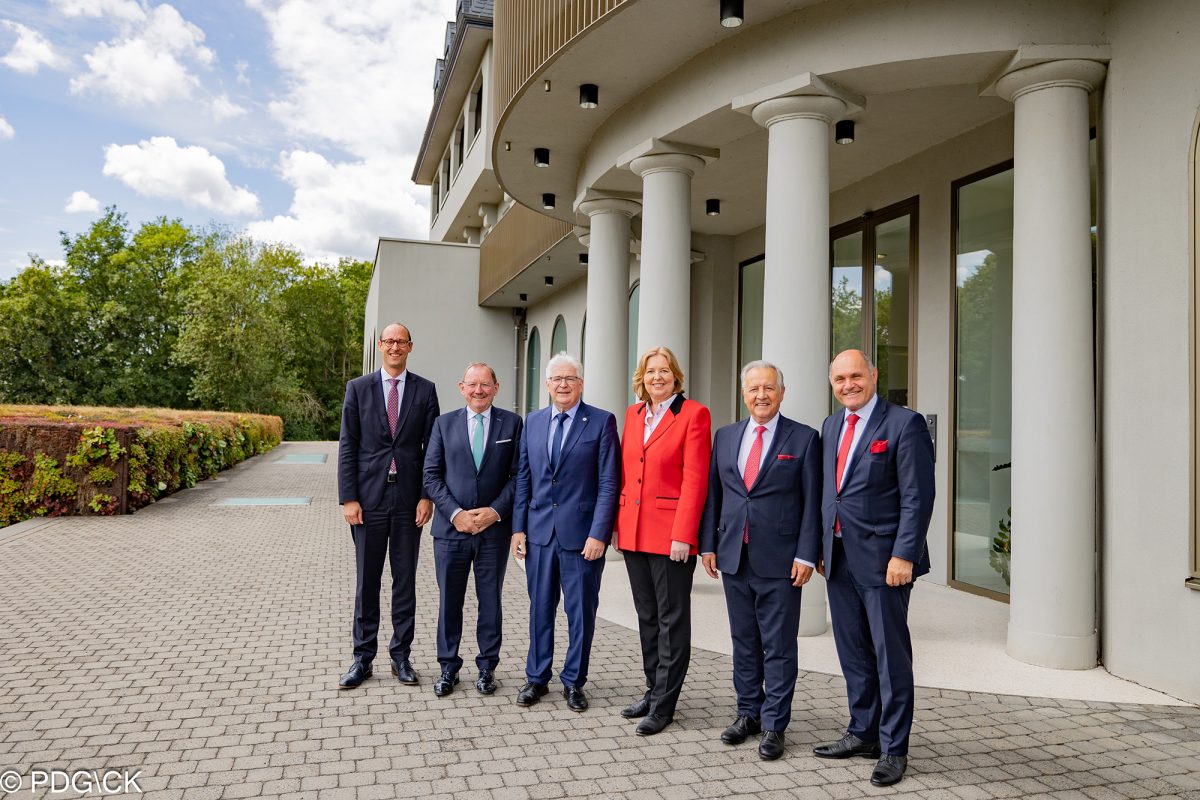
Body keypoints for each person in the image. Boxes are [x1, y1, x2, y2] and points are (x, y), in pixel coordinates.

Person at [812, 349, 935, 788]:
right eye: (840, 378)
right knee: (853, 653)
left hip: (886, 563)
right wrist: (820, 547)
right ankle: (862, 732)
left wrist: (904, 554)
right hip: (839, 558)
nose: (849, 385)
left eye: (856, 376)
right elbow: (831, 492)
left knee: (889, 656)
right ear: (832, 383)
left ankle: (893, 747)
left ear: (874, 375)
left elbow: (917, 496)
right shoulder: (830, 426)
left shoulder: (905, 424)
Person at [698, 360, 821, 761]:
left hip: (782, 561)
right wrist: (709, 544)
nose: (761, 395)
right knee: (743, 641)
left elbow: (811, 504)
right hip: (734, 556)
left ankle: (774, 724)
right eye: (754, 389)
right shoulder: (727, 435)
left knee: (779, 646)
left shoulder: (804, 439)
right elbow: (716, 495)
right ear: (743, 394)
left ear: (782, 393)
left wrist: (807, 552)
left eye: (769, 388)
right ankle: (748, 712)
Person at [511, 352, 620, 711]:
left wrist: (599, 534)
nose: (562, 385)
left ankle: (574, 681)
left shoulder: (601, 422)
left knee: (581, 612)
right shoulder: (534, 422)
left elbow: (608, 483)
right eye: (556, 379)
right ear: (546, 384)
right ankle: (537, 678)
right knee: (540, 608)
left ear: (581, 384)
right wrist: (519, 529)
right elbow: (524, 479)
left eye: (570, 379)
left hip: (582, 537)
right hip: (540, 533)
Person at [336, 323, 439, 689]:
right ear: (381, 346)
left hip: (409, 500)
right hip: (368, 500)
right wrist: (348, 497)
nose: (395, 347)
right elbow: (348, 445)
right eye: (389, 341)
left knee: (405, 580)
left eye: (401, 341)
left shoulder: (425, 390)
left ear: (410, 346)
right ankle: (362, 658)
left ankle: (401, 657)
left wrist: (427, 495)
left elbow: (432, 450)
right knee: (367, 580)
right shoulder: (358, 389)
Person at [615, 346, 711, 736]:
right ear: (643, 376)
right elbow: (626, 473)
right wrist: (620, 526)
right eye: (651, 371)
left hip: (671, 536)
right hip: (635, 532)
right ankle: (653, 688)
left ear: (676, 376)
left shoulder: (694, 415)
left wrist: (684, 535)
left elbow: (695, 479)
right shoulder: (634, 414)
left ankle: (665, 704)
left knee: (672, 620)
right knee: (647, 617)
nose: (657, 377)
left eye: (665, 371)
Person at [422, 363, 522, 697]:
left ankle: (486, 668)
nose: (478, 390)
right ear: (461, 387)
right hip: (451, 533)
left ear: (496, 387)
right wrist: (455, 514)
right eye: (472, 385)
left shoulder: (512, 423)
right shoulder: (443, 424)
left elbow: (519, 476)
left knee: (490, 602)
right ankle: (448, 667)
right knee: (450, 601)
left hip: (493, 532)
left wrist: (495, 512)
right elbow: (431, 476)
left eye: (485, 385)